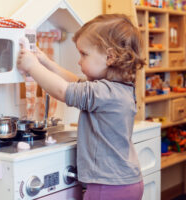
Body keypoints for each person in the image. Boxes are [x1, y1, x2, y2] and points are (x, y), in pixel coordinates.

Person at [17, 13, 145, 200]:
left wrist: (32, 66)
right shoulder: (118, 90)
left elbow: (63, 91)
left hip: (108, 186)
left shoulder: (103, 93)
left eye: (84, 54)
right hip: (126, 182)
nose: (79, 60)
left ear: (110, 57)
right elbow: (76, 82)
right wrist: (46, 62)